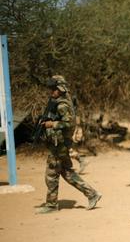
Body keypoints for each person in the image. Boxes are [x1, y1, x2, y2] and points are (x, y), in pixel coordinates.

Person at [36, 75, 101, 214]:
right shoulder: (59, 101)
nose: (51, 91)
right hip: (58, 144)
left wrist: (52, 124)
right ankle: (92, 194)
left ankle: (52, 205)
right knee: (67, 173)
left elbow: (69, 123)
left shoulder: (62, 104)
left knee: (51, 173)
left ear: (60, 89)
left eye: (53, 89)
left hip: (60, 145)